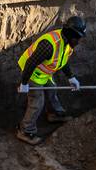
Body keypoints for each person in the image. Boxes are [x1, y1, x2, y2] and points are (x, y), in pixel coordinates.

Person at [16, 15, 87, 145]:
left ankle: (54, 114)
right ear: (72, 35)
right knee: (37, 102)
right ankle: (25, 130)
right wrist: (24, 83)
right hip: (32, 74)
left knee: (52, 90)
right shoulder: (49, 45)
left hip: (44, 73)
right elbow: (30, 63)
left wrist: (71, 77)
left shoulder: (67, 44)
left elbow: (62, 61)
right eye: (78, 38)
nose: (79, 41)